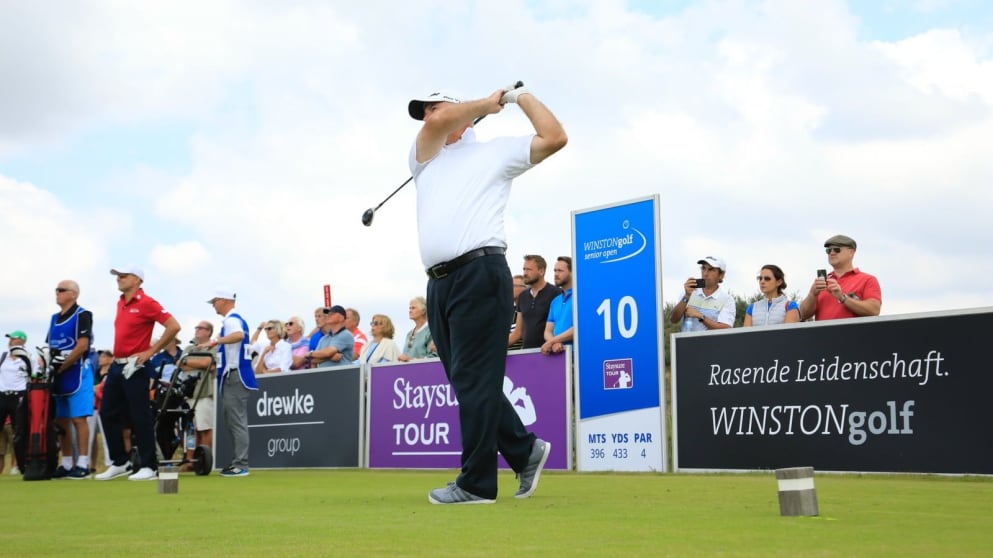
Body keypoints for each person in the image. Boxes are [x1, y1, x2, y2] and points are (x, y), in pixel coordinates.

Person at [407, 83, 566, 503]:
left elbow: (555, 137)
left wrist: (519, 99)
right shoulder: (424, 156)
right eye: (422, 112)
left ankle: (477, 482)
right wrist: (485, 104)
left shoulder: (494, 152)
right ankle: (523, 449)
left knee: (475, 381)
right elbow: (440, 123)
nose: (426, 118)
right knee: (467, 382)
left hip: (481, 271)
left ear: (461, 112)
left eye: (431, 107)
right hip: (439, 283)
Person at [95, 266, 181, 481]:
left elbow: (173, 326)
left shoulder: (147, 302)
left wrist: (152, 351)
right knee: (107, 412)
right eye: (118, 276)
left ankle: (149, 466)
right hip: (117, 365)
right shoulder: (120, 302)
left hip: (136, 365)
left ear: (136, 280)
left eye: (123, 276)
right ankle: (120, 462)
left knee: (139, 415)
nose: (119, 279)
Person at [203, 289, 256, 477]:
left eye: (215, 301)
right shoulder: (234, 319)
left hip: (236, 375)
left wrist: (215, 341)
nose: (213, 305)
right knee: (234, 421)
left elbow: (239, 336)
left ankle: (241, 465)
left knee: (237, 421)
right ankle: (239, 463)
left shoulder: (231, 320)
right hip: (234, 375)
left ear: (224, 301)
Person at [47, 280, 96, 479]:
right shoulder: (53, 318)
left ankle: (83, 462)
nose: (57, 293)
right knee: (61, 420)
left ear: (74, 294)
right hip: (59, 372)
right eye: (56, 290)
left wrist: (64, 365)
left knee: (78, 418)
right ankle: (67, 463)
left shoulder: (82, 314)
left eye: (61, 290)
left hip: (77, 371)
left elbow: (82, 346)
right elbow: (51, 345)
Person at [798, 234, 882, 321]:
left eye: (837, 249)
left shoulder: (868, 280)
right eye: (828, 250)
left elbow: (874, 310)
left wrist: (842, 298)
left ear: (851, 252)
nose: (832, 253)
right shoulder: (822, 282)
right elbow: (802, 315)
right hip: (823, 334)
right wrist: (812, 294)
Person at [177, 320, 217, 471]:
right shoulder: (189, 347)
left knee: (205, 428)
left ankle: (203, 461)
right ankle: (190, 461)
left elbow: (208, 362)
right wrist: (196, 362)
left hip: (204, 392)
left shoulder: (213, 347)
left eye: (201, 328)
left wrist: (189, 361)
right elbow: (180, 363)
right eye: (196, 327)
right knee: (190, 429)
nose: (197, 330)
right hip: (188, 393)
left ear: (208, 332)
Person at [507, 255, 561, 349]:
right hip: (527, 354)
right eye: (524, 269)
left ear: (541, 271)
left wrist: (554, 343)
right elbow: (518, 332)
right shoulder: (523, 296)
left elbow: (561, 326)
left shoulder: (556, 293)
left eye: (529, 270)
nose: (525, 273)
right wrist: (496, 348)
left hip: (550, 353)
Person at [670, 256, 736, 332]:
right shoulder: (689, 292)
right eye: (703, 268)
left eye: (711, 269)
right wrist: (687, 296)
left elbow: (725, 329)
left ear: (721, 275)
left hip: (713, 344)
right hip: (687, 343)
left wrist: (700, 316)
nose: (705, 273)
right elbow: (673, 319)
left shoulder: (727, 299)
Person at [0, 331, 31, 476]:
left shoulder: (27, 358)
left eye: (14, 338)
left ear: (22, 341)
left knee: (19, 432)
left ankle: (21, 466)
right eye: (11, 339)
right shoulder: (4, 357)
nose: (11, 341)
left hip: (18, 396)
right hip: (2, 396)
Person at [541, 256, 574, 355]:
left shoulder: (581, 297)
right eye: (555, 270)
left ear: (572, 272)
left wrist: (552, 341)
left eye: (560, 271)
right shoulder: (555, 301)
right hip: (558, 357)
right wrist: (554, 342)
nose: (556, 274)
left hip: (577, 357)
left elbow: (579, 328)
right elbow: (547, 331)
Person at [397, 296, 435, 362]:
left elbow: (434, 357)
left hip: (424, 371)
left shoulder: (431, 331)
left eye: (413, 308)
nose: (410, 311)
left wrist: (411, 360)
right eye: (410, 308)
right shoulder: (409, 334)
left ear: (423, 311)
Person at [508, 275, 527, 350]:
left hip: (521, 355)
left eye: (513, 286)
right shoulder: (509, 311)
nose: (509, 288)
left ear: (524, 288)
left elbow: (518, 334)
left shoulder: (528, 309)